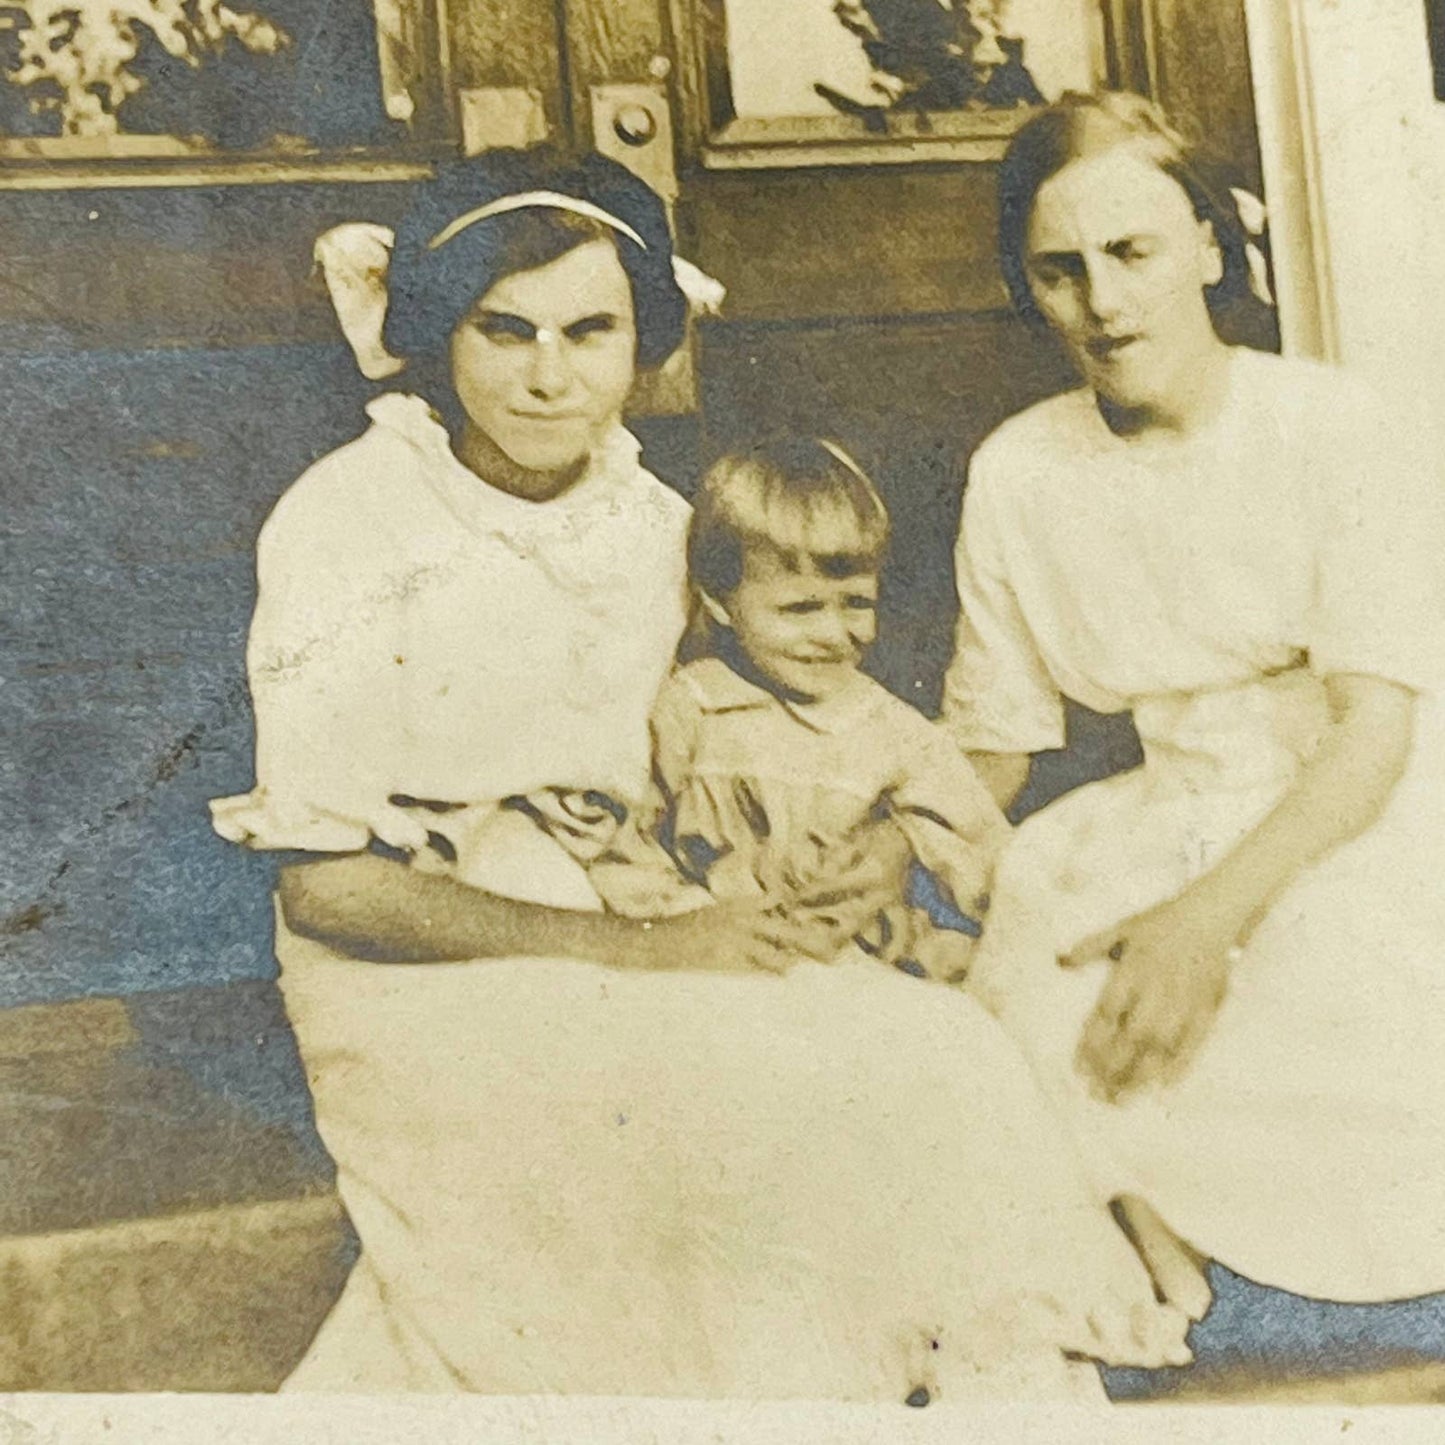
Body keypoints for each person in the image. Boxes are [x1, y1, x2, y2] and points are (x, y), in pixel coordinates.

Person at [211, 145, 1187, 1399]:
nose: (550, 374)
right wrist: (653, 951)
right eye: (504, 331)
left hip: (658, 894)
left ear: (643, 341)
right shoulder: (348, 520)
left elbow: (779, 727)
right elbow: (328, 891)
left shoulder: (658, 526)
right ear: (440, 335)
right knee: (735, 1095)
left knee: (932, 1047)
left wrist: (841, 858)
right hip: (432, 956)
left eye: (590, 329)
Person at [943, 90, 1445, 1314]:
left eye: (1131, 253)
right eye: (1058, 271)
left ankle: (1315, 1281)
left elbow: (1374, 731)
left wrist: (1200, 922)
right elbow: (994, 743)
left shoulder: (1330, 424)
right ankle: (1157, 1245)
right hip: (1155, 803)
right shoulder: (1017, 467)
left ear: (1208, 249)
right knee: (1032, 991)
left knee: (1324, 970)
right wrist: (890, 832)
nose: (1102, 305)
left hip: (1346, 794)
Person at [560, 438, 1000, 987]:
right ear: (721, 603)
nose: (833, 634)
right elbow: (632, 847)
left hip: (864, 967)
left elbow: (985, 855)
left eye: (857, 603)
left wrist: (916, 856)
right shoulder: (690, 709)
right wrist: (685, 920)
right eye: (799, 608)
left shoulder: (897, 732)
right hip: (715, 959)